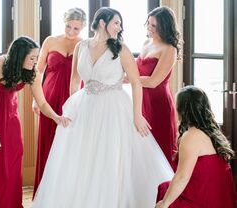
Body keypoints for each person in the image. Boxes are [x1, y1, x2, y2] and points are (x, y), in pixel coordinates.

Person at [32, 7, 174, 208]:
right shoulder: (82, 47)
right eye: (116, 22)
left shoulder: (121, 48)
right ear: (101, 23)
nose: (119, 27)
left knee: (110, 155)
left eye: (120, 23)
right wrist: (72, 107)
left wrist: (137, 115)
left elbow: (135, 82)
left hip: (114, 107)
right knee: (82, 157)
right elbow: (75, 80)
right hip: (85, 104)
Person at [0, 36, 69, 208]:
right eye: (32, 58)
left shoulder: (32, 72)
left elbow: (42, 102)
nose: (35, 61)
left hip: (8, 107)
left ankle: (11, 203)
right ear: (18, 56)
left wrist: (56, 116)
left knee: (14, 152)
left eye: (37, 57)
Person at [32, 7, 86, 196]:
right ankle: (45, 193)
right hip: (49, 96)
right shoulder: (50, 41)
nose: (71, 32)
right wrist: (35, 99)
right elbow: (38, 71)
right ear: (64, 22)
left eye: (76, 29)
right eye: (68, 26)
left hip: (73, 98)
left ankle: (67, 193)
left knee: (71, 143)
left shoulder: (84, 44)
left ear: (83, 28)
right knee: (48, 139)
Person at [156, 86, 237, 208]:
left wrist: (164, 204)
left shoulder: (191, 136)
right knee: (166, 186)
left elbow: (182, 177)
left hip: (204, 201)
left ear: (182, 110)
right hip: (220, 198)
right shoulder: (213, 133)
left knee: (164, 192)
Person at [136, 6, 183, 168]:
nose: (149, 28)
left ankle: (164, 189)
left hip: (158, 104)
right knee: (142, 147)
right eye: (148, 24)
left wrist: (125, 80)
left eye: (154, 26)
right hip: (140, 101)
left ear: (164, 27)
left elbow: (153, 81)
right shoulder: (145, 43)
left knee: (160, 148)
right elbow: (135, 70)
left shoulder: (169, 49)